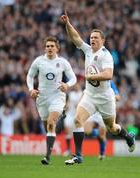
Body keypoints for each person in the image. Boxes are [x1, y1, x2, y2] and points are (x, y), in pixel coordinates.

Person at [61, 12, 135, 165]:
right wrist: (67, 24)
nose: (92, 39)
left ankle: (128, 136)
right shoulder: (88, 50)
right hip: (90, 95)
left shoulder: (105, 55)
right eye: (91, 37)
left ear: (103, 40)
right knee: (77, 120)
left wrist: (91, 77)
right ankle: (78, 156)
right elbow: (75, 37)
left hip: (104, 97)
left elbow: (108, 74)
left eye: (96, 37)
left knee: (112, 128)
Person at [26, 36, 77, 165]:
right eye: (47, 46)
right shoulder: (38, 61)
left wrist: (67, 85)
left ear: (57, 48)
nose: (49, 48)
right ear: (45, 48)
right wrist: (31, 89)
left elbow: (73, 78)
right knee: (48, 128)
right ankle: (60, 119)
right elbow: (30, 76)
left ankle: (47, 157)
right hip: (42, 98)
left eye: (52, 46)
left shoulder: (63, 62)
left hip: (57, 96)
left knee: (50, 123)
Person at [84, 80, 121, 160]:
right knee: (86, 130)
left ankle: (102, 153)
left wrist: (107, 97)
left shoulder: (109, 82)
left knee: (102, 135)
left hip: (103, 111)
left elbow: (118, 97)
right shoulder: (92, 80)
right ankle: (98, 133)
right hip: (93, 111)